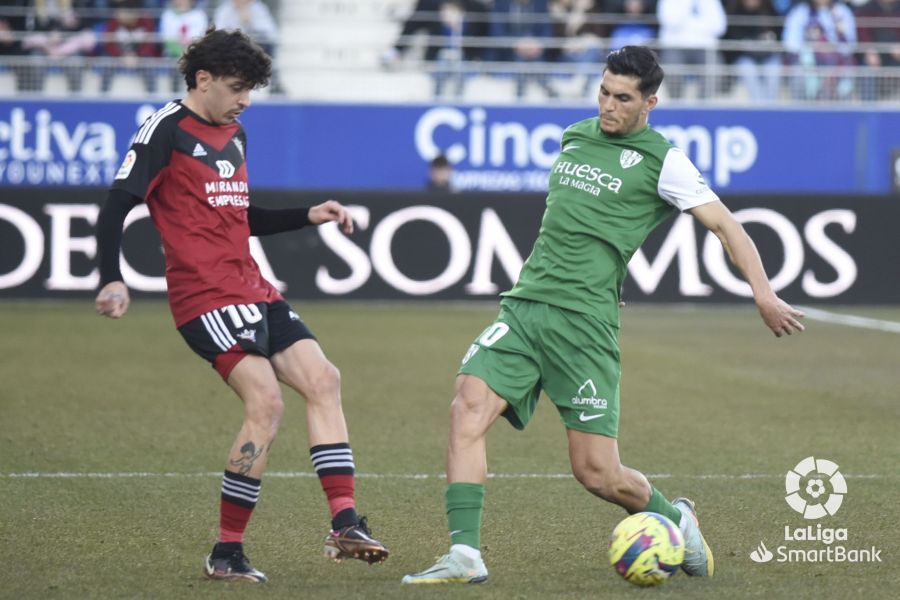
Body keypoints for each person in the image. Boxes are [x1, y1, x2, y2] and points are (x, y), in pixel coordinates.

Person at [401, 45, 805, 585]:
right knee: (466, 407)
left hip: (584, 326)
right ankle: (465, 554)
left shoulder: (665, 161)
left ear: (649, 103)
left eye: (623, 98)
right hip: (525, 307)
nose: (608, 106)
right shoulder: (575, 136)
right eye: (603, 93)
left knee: (597, 473)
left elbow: (726, 226)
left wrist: (764, 294)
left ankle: (676, 519)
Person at [94, 26, 389, 584]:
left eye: (250, 89)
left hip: (253, 287)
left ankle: (345, 524)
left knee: (324, 379)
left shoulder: (235, 133)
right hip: (204, 297)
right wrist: (111, 278)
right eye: (237, 88)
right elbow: (116, 207)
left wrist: (307, 215)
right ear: (202, 80)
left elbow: (238, 216)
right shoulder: (165, 129)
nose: (246, 100)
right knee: (267, 404)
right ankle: (226, 552)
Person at [782, 0, 857, 100]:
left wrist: (832, 48)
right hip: (809, 63)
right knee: (798, 74)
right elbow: (790, 43)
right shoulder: (801, 11)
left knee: (848, 75)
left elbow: (850, 44)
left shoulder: (841, 11)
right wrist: (812, 48)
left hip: (836, 62)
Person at [656, 0, 727, 98]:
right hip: (675, 46)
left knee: (715, 70)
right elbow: (670, 21)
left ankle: (705, 104)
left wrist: (689, 28)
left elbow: (719, 27)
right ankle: (676, 103)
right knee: (672, 72)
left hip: (705, 48)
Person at [723, 0, 783, 101]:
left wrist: (770, 38)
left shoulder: (770, 10)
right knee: (747, 69)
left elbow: (779, 35)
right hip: (744, 57)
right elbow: (731, 40)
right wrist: (750, 42)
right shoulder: (734, 11)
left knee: (773, 69)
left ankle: (770, 107)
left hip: (767, 55)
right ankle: (759, 107)